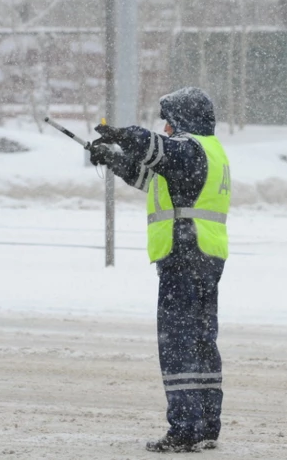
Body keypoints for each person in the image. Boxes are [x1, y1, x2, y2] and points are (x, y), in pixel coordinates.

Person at [88, 87, 231, 453]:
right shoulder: (208, 153)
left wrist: (125, 134)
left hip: (183, 253)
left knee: (178, 342)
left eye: (168, 121)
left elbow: (159, 151)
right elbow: (153, 179)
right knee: (201, 340)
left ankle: (184, 427)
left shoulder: (190, 147)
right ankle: (205, 425)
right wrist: (113, 158)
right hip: (205, 254)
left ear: (182, 120)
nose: (165, 128)